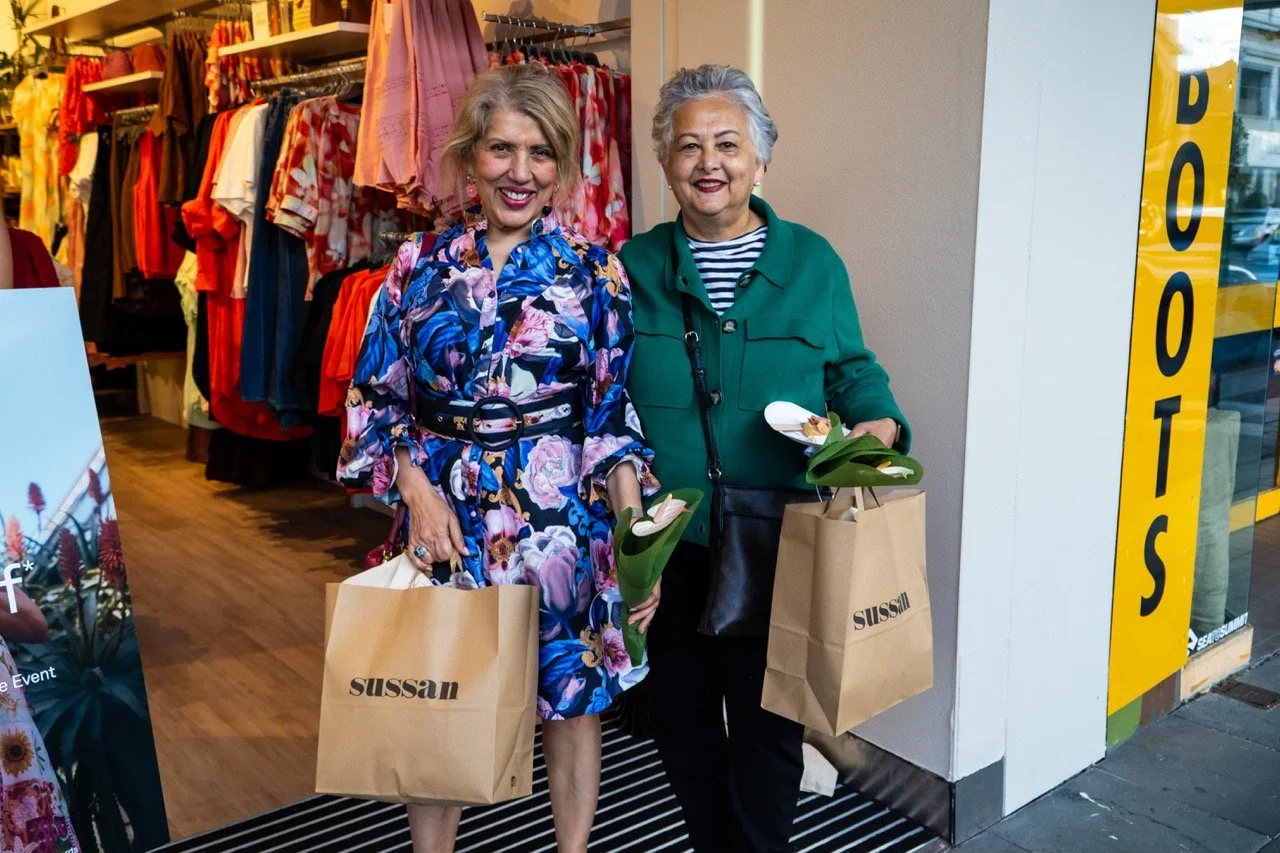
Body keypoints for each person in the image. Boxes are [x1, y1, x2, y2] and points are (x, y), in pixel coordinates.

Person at [338, 64, 660, 853]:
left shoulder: (597, 273)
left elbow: (611, 414)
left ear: (562, 165)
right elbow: (374, 402)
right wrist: (413, 489)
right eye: (502, 149)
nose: (521, 172)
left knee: (574, 702)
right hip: (442, 514)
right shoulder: (415, 268)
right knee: (435, 688)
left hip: (561, 522)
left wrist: (635, 535)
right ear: (469, 156)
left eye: (541, 153)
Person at [619, 64, 912, 853]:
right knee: (677, 718)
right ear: (665, 161)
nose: (707, 161)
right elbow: (603, 397)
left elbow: (855, 373)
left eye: (727, 143)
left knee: (770, 726)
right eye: (688, 146)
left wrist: (874, 432)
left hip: (779, 539)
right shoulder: (633, 267)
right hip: (668, 539)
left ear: (761, 160)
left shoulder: (813, 262)